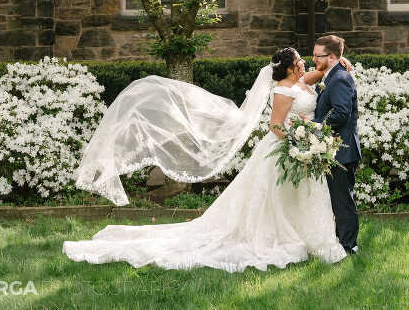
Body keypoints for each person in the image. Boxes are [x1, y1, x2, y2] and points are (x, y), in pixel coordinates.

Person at [62, 47, 353, 272]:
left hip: (303, 148)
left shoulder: (302, 81)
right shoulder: (283, 90)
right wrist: (298, 140)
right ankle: (280, 237)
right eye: (301, 61)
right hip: (286, 148)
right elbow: (275, 125)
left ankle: (310, 237)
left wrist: (340, 63)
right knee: (273, 199)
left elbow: (322, 73)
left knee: (300, 195)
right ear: (290, 68)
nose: (305, 63)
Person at [311, 35, 361, 255]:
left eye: (317, 56)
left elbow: (342, 113)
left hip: (342, 149)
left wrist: (314, 127)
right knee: (338, 199)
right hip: (335, 147)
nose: (313, 59)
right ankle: (342, 241)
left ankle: (349, 246)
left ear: (331, 57)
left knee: (342, 201)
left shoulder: (339, 78)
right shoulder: (332, 74)